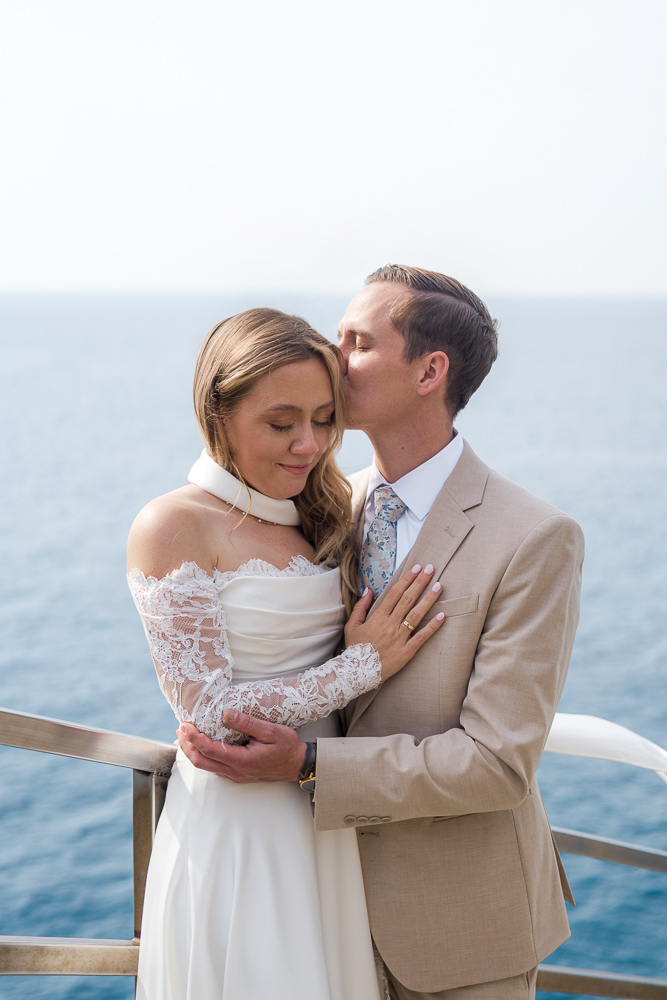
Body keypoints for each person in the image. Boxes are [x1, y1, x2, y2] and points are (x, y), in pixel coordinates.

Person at [179, 267, 585, 1000]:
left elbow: (496, 763)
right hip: (313, 907)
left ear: (430, 371)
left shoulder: (533, 537)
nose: (332, 357)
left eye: (358, 342)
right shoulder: (328, 502)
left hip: (459, 925)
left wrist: (306, 765)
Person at [127, 307, 446, 1000]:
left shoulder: (323, 507)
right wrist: (363, 665)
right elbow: (208, 714)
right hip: (241, 820)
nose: (308, 444)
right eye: (280, 423)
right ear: (217, 411)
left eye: (325, 419)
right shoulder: (173, 523)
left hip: (320, 806)